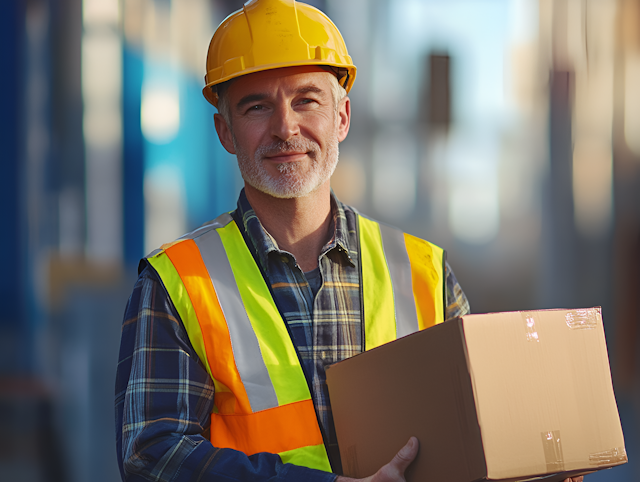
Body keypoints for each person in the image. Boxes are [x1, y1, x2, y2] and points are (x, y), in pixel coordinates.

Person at [115, 1, 582, 482]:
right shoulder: (176, 285)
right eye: (257, 106)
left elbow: (475, 426)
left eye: (306, 100)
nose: (285, 128)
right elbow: (153, 457)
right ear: (225, 131)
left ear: (342, 118)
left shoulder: (423, 272)